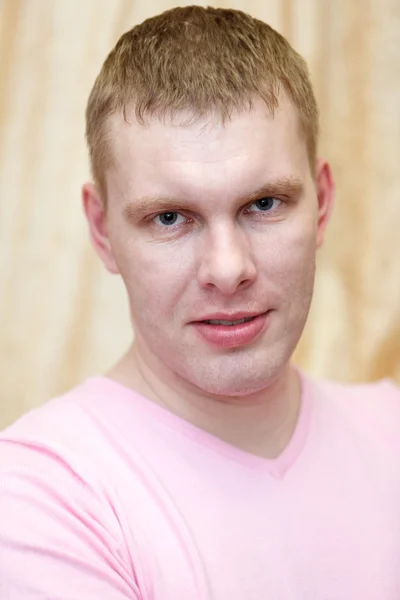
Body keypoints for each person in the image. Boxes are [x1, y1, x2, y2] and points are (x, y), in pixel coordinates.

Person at [1, 5, 399, 599]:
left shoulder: (391, 428)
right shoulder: (43, 495)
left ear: (320, 201)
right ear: (102, 229)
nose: (228, 268)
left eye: (263, 204)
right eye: (170, 217)